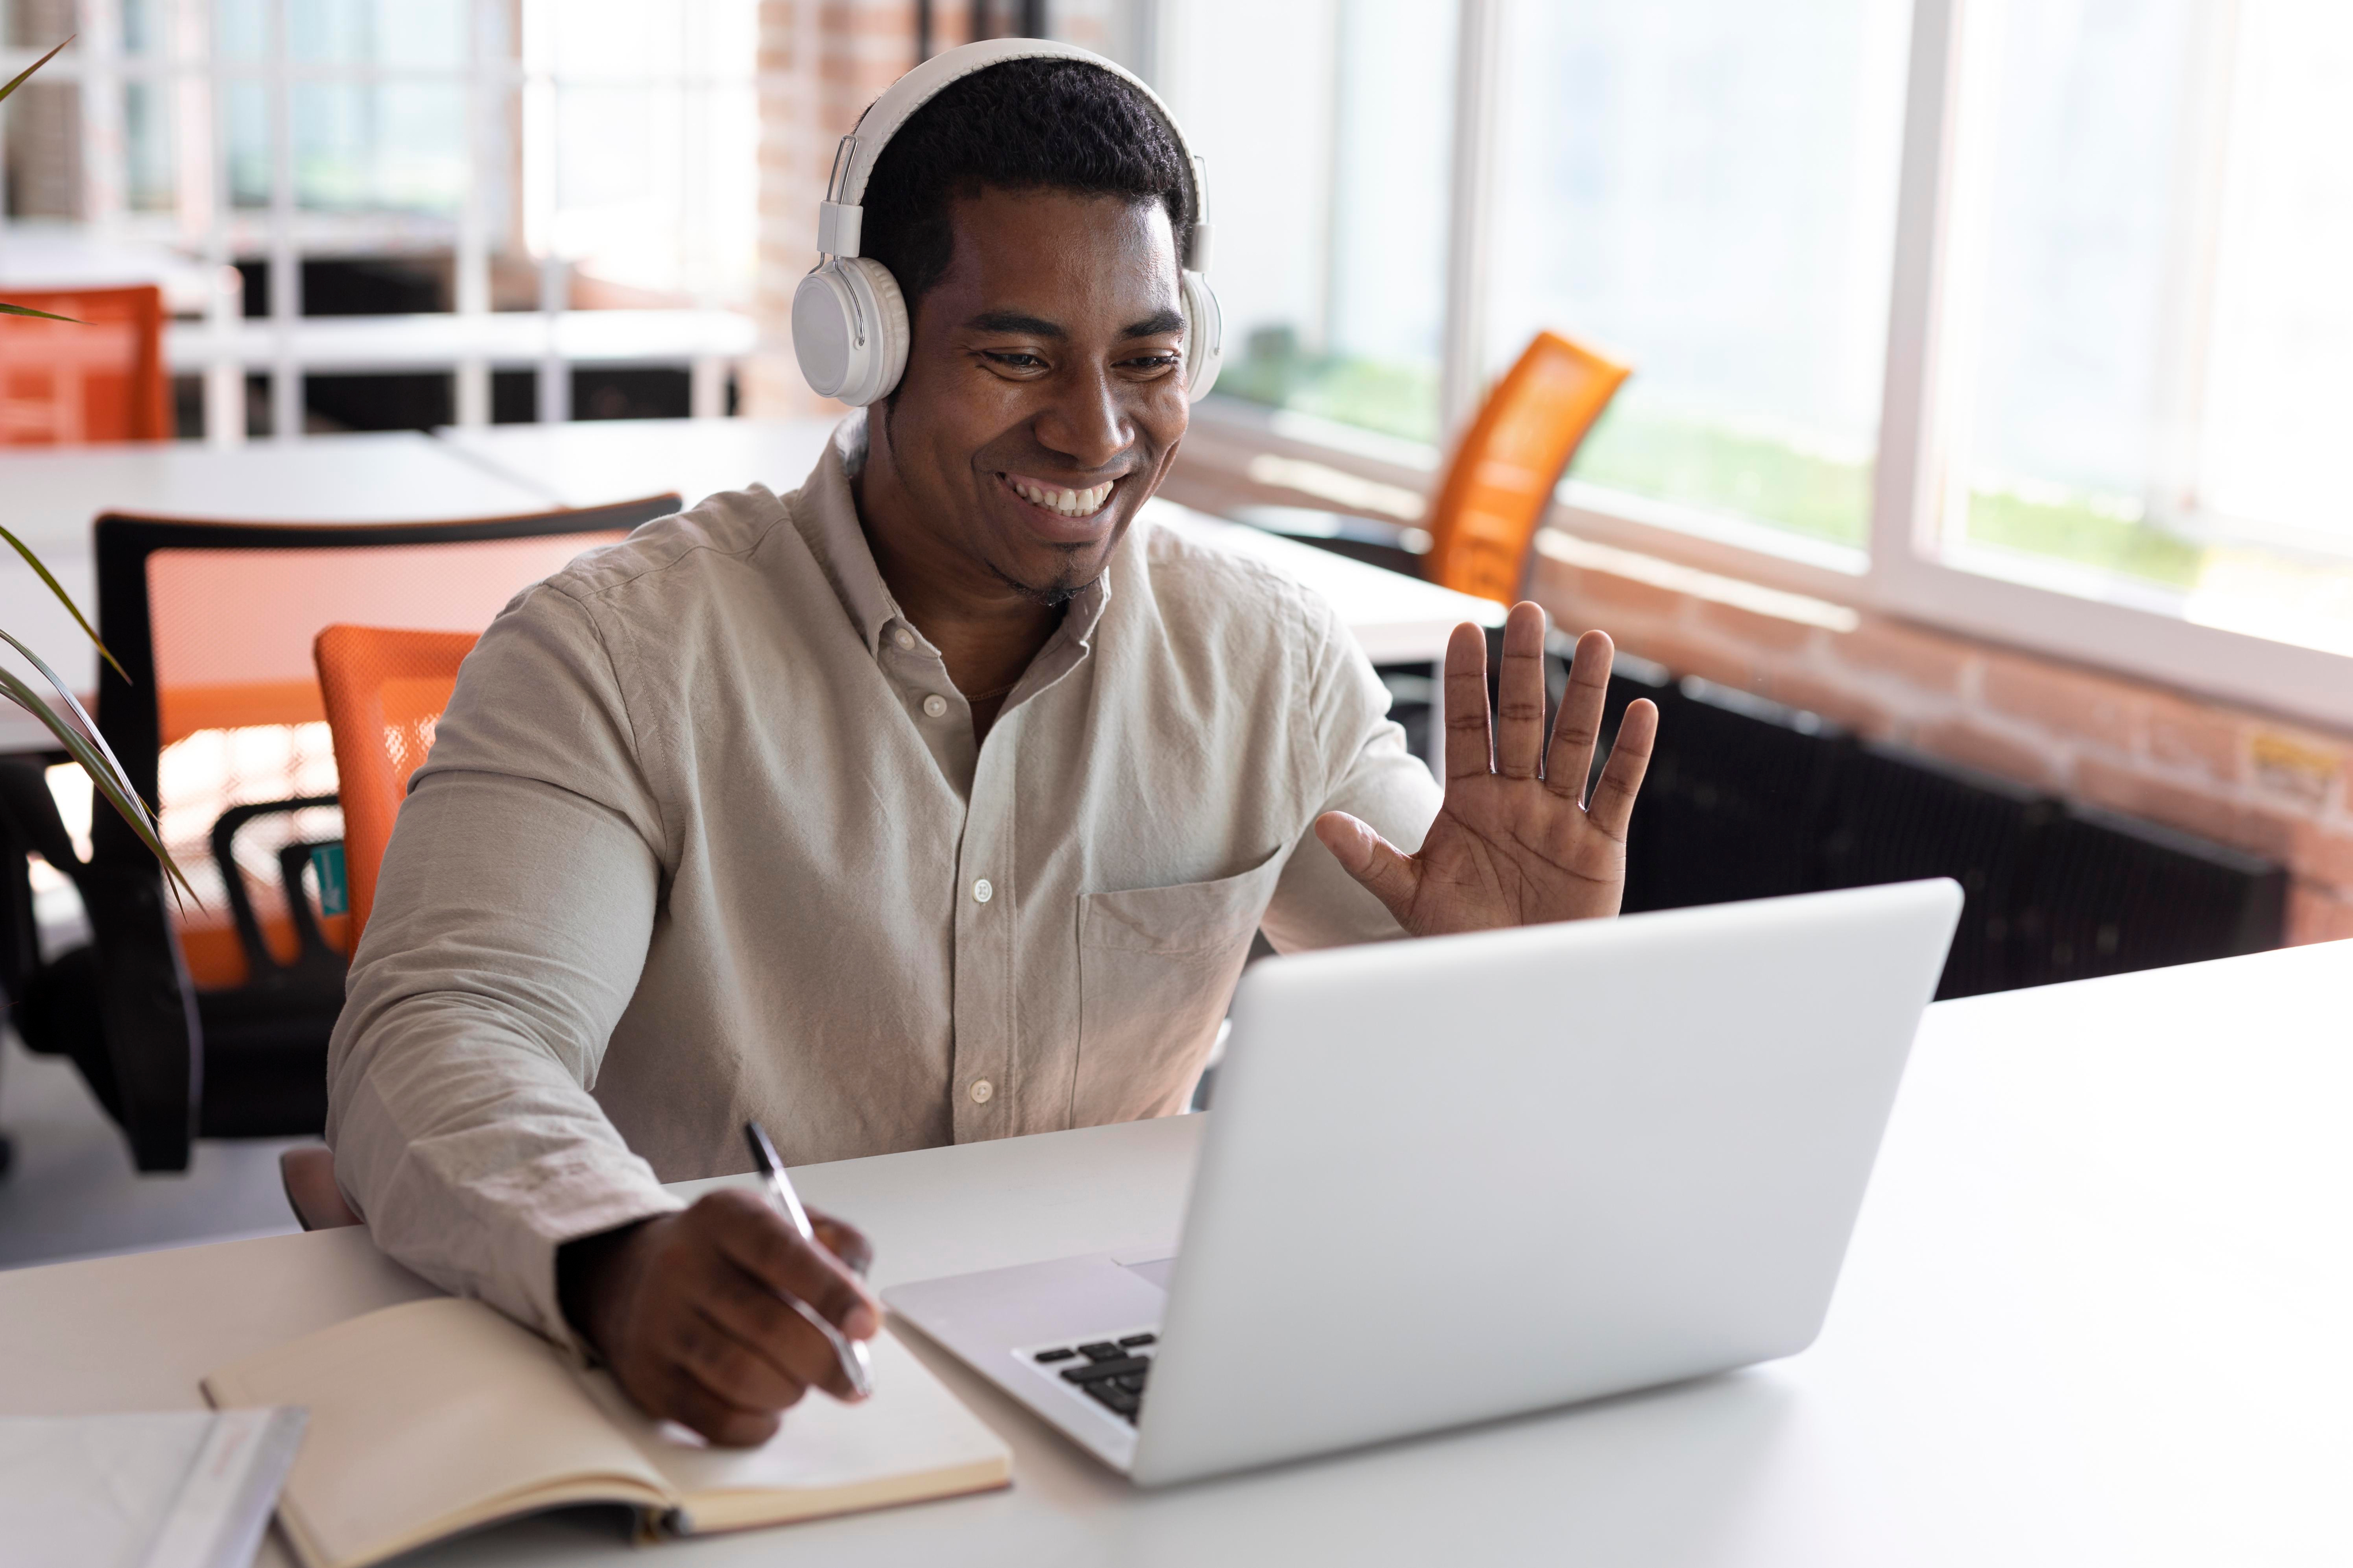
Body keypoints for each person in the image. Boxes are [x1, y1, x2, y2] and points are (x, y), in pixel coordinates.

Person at [326, 44, 1658, 1449]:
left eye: (1145, 360)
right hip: (721, 1389)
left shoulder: (1265, 662)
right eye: (1017, 356)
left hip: (1112, 1381)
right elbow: (449, 1031)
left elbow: (1457, 1065)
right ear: (866, 344)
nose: (1095, 429)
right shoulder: (614, 655)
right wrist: (611, 1256)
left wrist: (1515, 983)